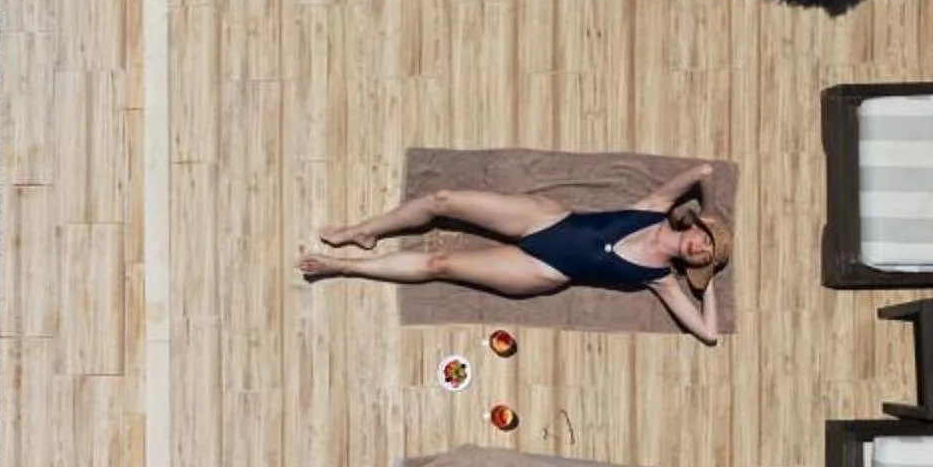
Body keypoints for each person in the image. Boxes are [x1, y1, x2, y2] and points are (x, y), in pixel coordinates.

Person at [298, 163, 732, 344]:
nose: (700, 248)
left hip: (543, 269)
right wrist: (711, 212)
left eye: (703, 256)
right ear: (697, 228)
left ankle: (344, 266)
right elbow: (704, 172)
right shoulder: (655, 207)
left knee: (439, 264)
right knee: (442, 200)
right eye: (705, 240)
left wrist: (707, 283)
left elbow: (708, 333)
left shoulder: (661, 280)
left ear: (694, 264)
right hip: (546, 219)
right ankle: (362, 232)